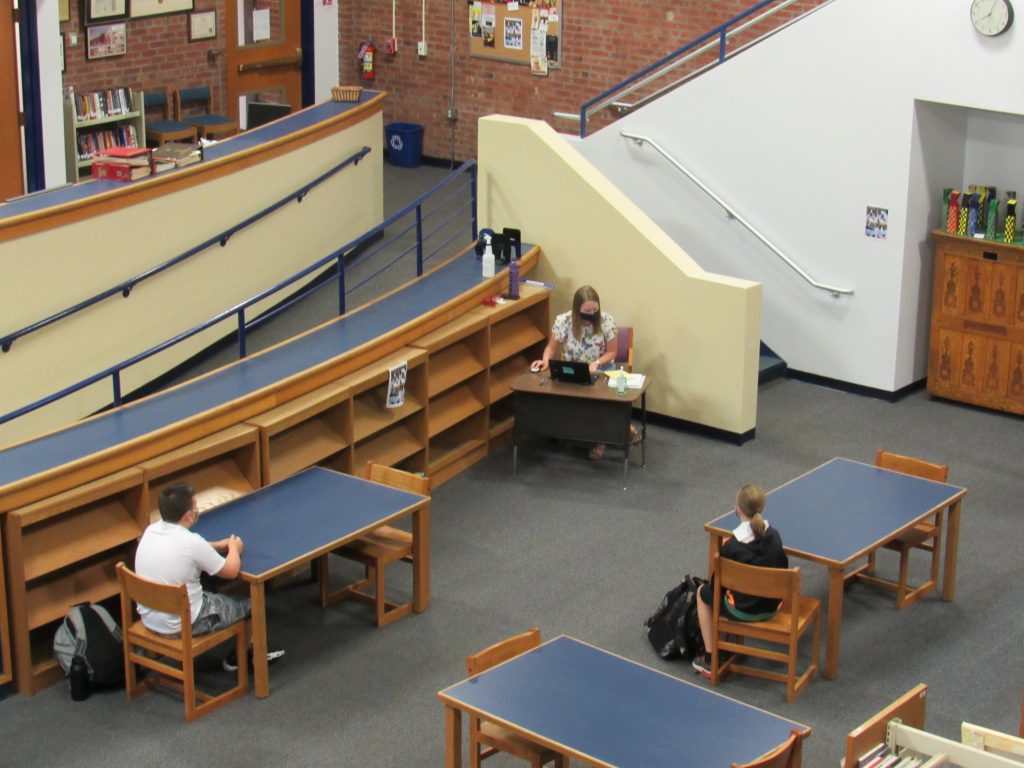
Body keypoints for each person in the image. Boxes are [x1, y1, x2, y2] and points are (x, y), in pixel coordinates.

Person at [135, 482, 284, 671]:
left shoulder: (150, 531)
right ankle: (243, 658)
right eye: (194, 508)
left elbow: (188, 549)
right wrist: (234, 549)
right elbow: (230, 571)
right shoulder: (190, 542)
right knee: (252, 605)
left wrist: (213, 546)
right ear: (188, 515)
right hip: (184, 624)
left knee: (204, 581)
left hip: (151, 618)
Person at [532, 284, 639, 459]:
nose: (591, 314)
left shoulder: (606, 321)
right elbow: (551, 348)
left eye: (595, 309)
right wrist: (544, 361)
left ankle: (600, 441)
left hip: (601, 370)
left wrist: (596, 363)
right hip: (572, 371)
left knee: (599, 403)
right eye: (587, 310)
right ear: (577, 309)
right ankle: (617, 428)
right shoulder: (563, 321)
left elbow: (612, 352)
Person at [691, 484, 787, 678]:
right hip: (771, 606)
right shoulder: (775, 537)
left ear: (737, 509)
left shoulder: (732, 546)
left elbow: (717, 585)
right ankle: (725, 645)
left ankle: (711, 658)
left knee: (703, 593)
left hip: (742, 611)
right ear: (763, 509)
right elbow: (782, 569)